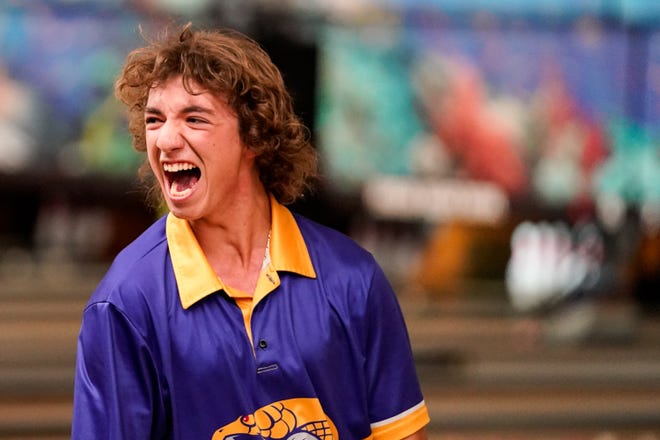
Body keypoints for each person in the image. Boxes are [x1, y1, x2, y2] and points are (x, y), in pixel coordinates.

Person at [72, 23, 430, 440]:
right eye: (154, 119)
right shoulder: (123, 303)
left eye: (194, 118)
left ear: (254, 135)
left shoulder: (354, 279)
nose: (166, 139)